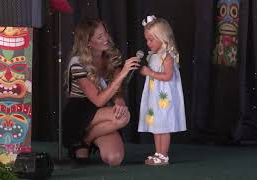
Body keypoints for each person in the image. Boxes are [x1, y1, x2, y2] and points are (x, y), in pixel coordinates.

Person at [63, 18, 140, 166]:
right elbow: (98, 100)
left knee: (114, 159)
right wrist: (123, 74)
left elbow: (116, 92)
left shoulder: (111, 56)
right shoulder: (77, 63)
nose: (106, 39)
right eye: (100, 37)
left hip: (102, 112)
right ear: (88, 43)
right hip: (79, 112)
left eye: (105, 33)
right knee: (124, 118)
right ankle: (78, 138)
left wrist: (120, 102)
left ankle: (84, 141)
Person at [138, 15, 187, 165]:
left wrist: (149, 73)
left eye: (151, 39)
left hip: (164, 98)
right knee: (157, 126)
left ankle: (163, 155)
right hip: (155, 96)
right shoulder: (153, 55)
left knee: (163, 125)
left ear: (162, 38)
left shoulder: (167, 56)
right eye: (147, 39)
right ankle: (158, 153)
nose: (148, 43)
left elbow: (167, 76)